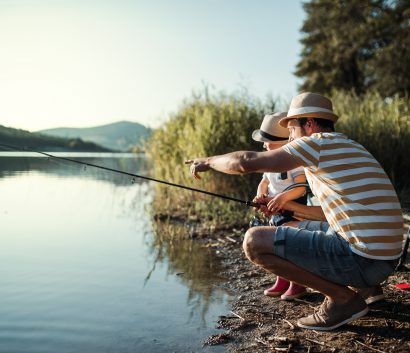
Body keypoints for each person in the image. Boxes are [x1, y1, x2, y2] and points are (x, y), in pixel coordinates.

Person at [185, 92, 403, 331]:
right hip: (386, 260)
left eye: (291, 130)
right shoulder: (348, 147)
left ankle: (343, 300)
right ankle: (367, 288)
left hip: (364, 261)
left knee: (254, 241)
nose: (289, 138)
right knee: (292, 226)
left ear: (309, 124)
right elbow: (330, 215)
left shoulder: (316, 143)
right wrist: (287, 206)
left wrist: (207, 161)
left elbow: (245, 162)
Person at [250, 112, 308, 300]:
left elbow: (300, 188)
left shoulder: (295, 163)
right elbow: (264, 182)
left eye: (268, 141)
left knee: (289, 245)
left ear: (285, 142)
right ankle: (282, 278)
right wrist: (261, 194)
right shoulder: (269, 163)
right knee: (276, 244)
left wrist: (283, 198)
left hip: (294, 210)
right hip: (275, 210)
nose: (264, 145)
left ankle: (297, 282)